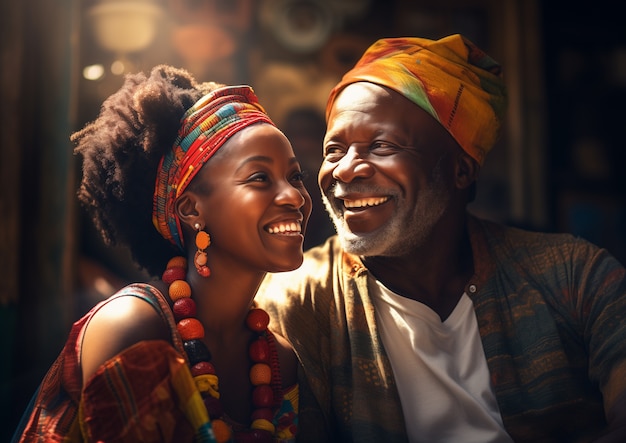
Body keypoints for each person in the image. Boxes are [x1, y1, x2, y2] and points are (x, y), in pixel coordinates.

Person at [255, 34, 626, 442]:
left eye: (380, 145)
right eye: (334, 151)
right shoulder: (297, 299)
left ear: (460, 171)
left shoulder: (574, 276)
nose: (345, 170)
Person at [13, 65, 312, 443]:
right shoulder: (134, 329)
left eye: (295, 177)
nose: (294, 197)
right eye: (259, 178)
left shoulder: (277, 360)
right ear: (191, 210)